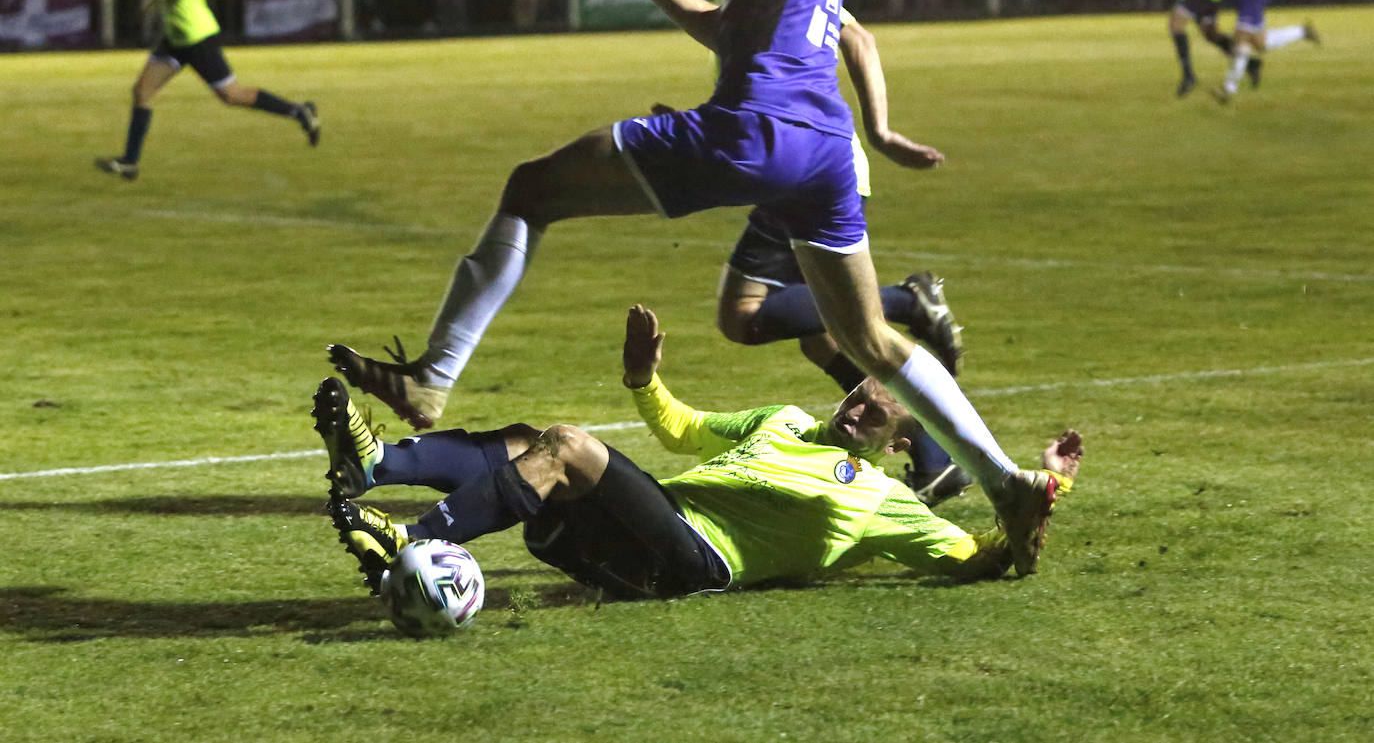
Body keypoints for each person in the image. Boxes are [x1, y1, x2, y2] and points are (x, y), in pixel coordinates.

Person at [328, 0, 1092, 575]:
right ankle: (1005, 480)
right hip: (822, 149)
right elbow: (725, 29)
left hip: (754, 129)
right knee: (871, 340)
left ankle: (430, 382)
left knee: (531, 188)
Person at [318, 305, 1084, 600]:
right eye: (859, 390)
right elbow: (682, 430)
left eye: (880, 404)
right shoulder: (785, 419)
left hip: (692, 563)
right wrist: (644, 379)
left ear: (904, 435)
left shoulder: (889, 505)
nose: (859, 402)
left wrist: (1047, 485)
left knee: (566, 448)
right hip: (651, 524)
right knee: (527, 439)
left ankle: (411, 541)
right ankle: (377, 464)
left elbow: (988, 556)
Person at [654, 0, 967, 504]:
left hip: (811, 165)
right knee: (830, 338)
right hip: (802, 160)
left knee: (743, 319)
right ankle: (937, 458)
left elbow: (856, 35)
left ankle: (907, 300)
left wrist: (879, 129)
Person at [96, 0, 319, 181]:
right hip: (175, 38)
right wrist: (151, 3)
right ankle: (129, 163)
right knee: (142, 91)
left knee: (232, 95)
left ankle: (298, 111)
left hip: (197, 36)